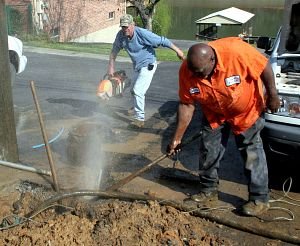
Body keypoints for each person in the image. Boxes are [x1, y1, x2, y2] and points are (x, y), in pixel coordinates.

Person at [167, 37, 281, 216]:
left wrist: (273, 94)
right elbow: (187, 104)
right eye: (194, 73)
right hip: (215, 113)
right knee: (208, 150)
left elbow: (264, 67)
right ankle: (208, 191)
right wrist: (177, 138)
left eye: (201, 72)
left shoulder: (236, 51)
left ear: (212, 59)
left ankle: (259, 199)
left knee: (251, 152)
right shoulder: (187, 71)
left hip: (246, 110)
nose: (198, 77)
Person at [107, 14, 185, 128]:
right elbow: (113, 52)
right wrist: (111, 67)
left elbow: (163, 41)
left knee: (138, 91)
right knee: (134, 90)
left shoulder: (142, 33)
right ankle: (136, 107)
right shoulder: (121, 36)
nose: (125, 29)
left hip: (148, 64)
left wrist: (178, 51)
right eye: (123, 27)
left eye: (127, 27)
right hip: (137, 66)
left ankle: (139, 119)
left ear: (133, 25)